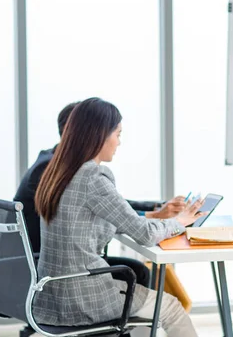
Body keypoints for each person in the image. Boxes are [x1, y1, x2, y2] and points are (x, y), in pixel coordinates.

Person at [33, 98, 205, 337]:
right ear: (100, 134)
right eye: (118, 134)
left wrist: (158, 216)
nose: (119, 142)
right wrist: (181, 221)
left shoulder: (57, 171)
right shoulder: (93, 175)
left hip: (53, 294)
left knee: (147, 304)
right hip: (83, 297)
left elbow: (95, 220)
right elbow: (145, 234)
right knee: (169, 307)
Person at [14, 102, 187, 289]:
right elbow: (106, 206)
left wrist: (153, 209)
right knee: (139, 274)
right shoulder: (56, 168)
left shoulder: (56, 164)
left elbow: (106, 205)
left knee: (138, 271)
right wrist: (164, 218)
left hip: (54, 263)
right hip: (55, 266)